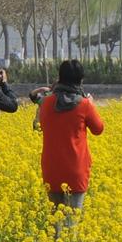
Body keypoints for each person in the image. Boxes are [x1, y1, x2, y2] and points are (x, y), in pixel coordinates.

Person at [34, 58, 105, 212]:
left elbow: (40, 124)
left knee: (55, 223)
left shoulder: (46, 103)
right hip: (75, 170)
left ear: (60, 77)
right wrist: (91, 104)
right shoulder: (84, 104)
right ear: (80, 80)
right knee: (71, 224)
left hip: (51, 169)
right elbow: (98, 129)